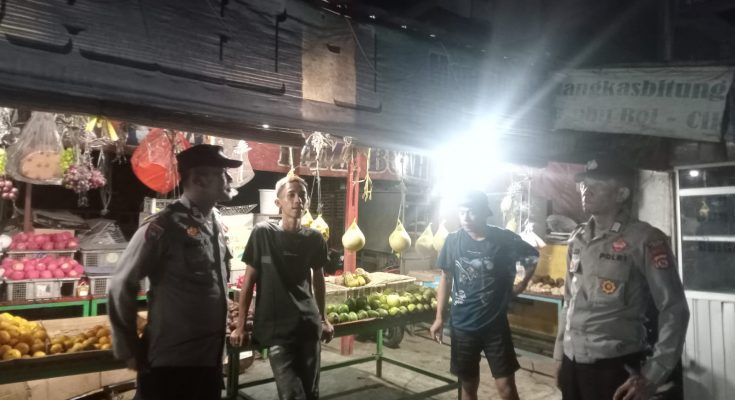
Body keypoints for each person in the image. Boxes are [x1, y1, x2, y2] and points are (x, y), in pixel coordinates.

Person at [108, 144, 242, 400]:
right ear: (198, 179)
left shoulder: (214, 222)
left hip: (209, 359)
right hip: (171, 363)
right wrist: (128, 346)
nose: (229, 179)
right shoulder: (165, 225)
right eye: (221, 173)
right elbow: (121, 284)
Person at [553, 158, 689, 400]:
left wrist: (654, 373)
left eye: (597, 184)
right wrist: (559, 355)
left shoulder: (645, 239)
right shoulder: (578, 238)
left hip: (615, 368)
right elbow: (569, 301)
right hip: (573, 362)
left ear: (621, 193)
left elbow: (674, 309)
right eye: (584, 183)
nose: (586, 190)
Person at [229, 173, 334, 400]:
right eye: (291, 195)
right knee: (291, 394)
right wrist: (240, 326)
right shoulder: (263, 234)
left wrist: (323, 319)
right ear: (279, 202)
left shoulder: (315, 239)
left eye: (302, 195)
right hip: (277, 329)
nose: (298, 200)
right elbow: (249, 280)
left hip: (308, 326)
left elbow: (319, 281)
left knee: (311, 392)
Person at [430, 190, 540, 400]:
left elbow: (532, 257)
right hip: (462, 326)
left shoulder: (504, 239)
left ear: (483, 213)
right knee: (468, 387)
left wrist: (522, 284)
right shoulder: (452, 241)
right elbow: (446, 279)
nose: (465, 217)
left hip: (495, 326)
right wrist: (439, 317)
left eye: (471, 212)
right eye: (462, 212)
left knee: (506, 387)